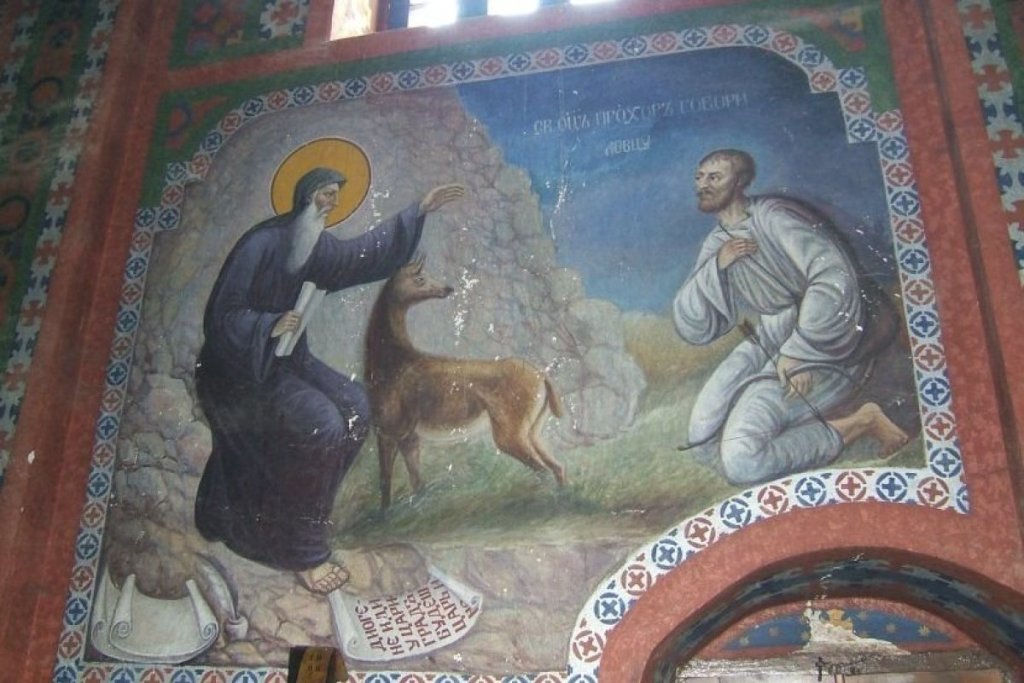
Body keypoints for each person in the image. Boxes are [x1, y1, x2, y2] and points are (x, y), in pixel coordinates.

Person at [194, 167, 464, 593]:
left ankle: (302, 517)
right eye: (325, 193)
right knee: (323, 423)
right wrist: (267, 325)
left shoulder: (314, 246)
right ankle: (303, 552)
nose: (332, 202)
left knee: (357, 408)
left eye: (336, 194)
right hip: (237, 371)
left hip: (286, 361)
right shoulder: (260, 244)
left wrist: (417, 212)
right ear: (305, 196)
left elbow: (364, 255)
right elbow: (221, 316)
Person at [673, 149, 909, 485]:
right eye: (699, 177)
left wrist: (801, 351)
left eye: (714, 177)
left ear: (740, 182)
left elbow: (832, 275)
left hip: (827, 335)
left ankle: (863, 421)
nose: (702, 185)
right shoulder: (717, 242)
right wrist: (717, 267)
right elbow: (692, 323)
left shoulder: (774, 217)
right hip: (773, 331)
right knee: (702, 438)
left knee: (742, 461)